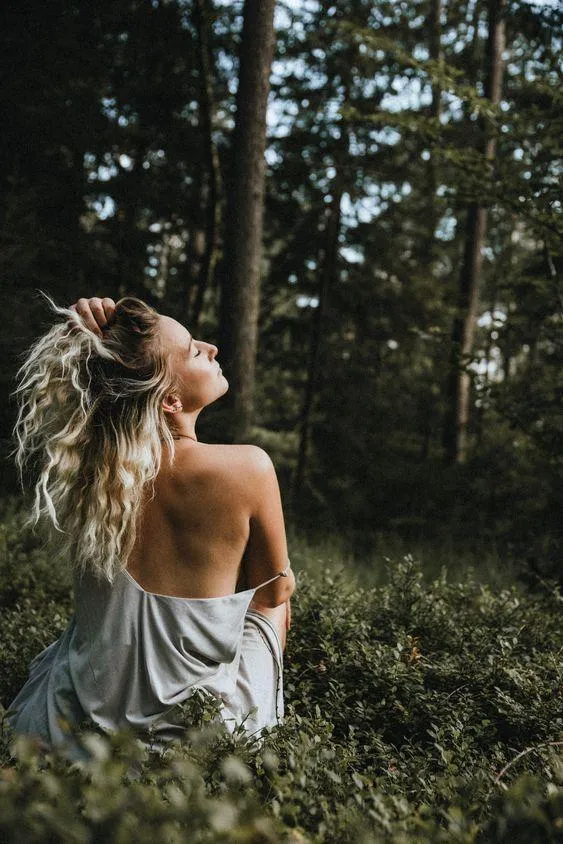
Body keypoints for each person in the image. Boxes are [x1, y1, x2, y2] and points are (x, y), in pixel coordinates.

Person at [6, 293, 295, 757]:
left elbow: (90, 383)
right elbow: (273, 594)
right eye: (194, 351)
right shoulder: (249, 468)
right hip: (198, 741)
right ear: (171, 399)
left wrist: (84, 326)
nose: (212, 348)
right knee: (274, 597)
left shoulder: (93, 472)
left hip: (67, 730)